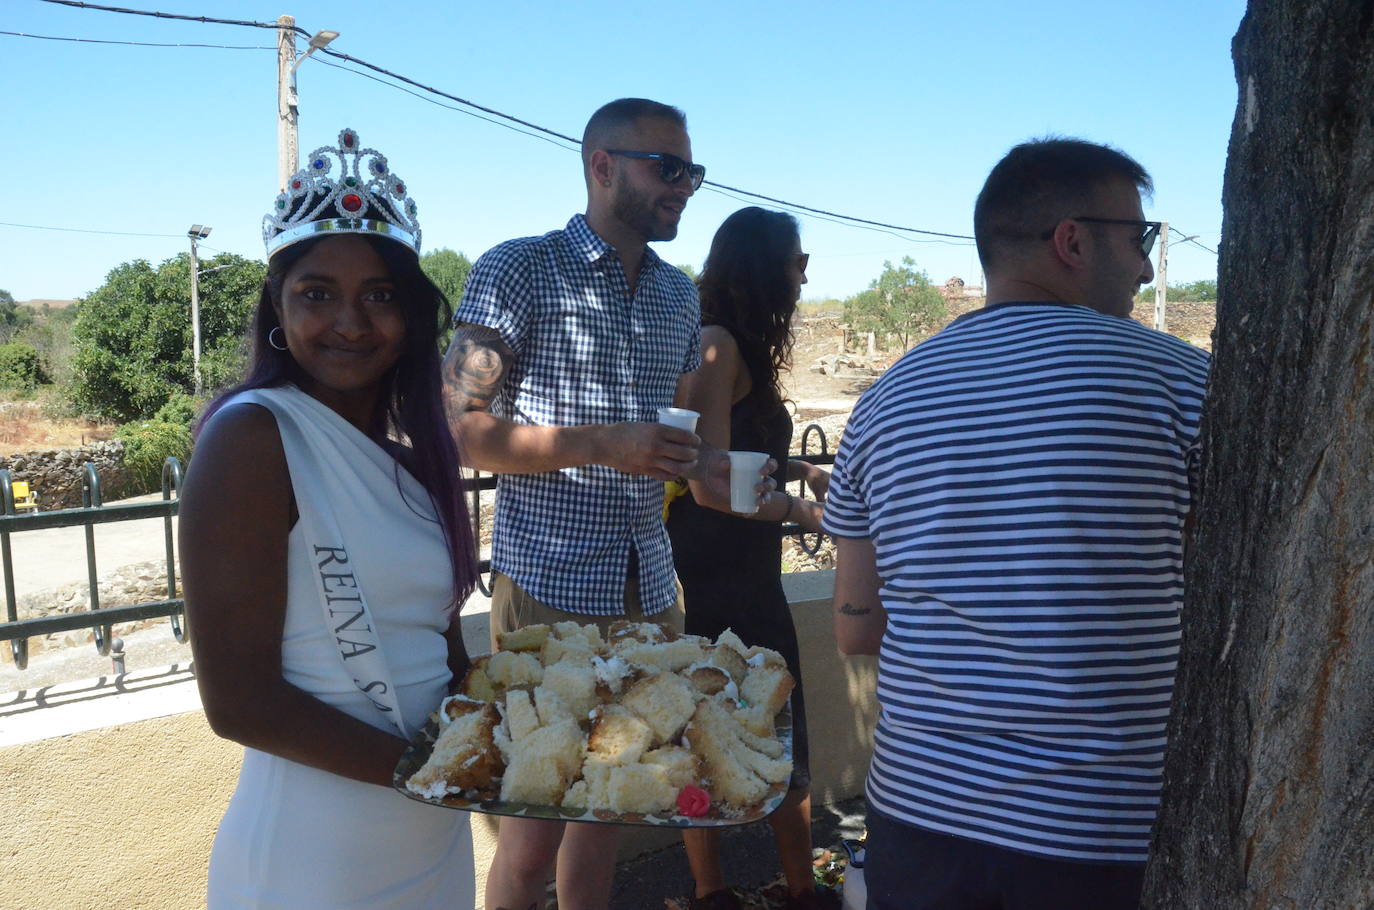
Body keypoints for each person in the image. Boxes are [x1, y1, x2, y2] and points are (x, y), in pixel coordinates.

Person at [823, 138, 1211, 910]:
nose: (1144, 267)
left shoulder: (885, 400)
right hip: (1097, 834)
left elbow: (857, 633)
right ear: (1073, 240)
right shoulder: (1183, 382)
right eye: (1141, 241)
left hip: (916, 821)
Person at [442, 98, 744, 910]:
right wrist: (606, 443)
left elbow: (677, 442)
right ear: (601, 165)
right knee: (532, 826)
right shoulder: (518, 270)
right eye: (667, 168)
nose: (685, 186)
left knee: (613, 807)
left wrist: (772, 482)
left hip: (650, 591)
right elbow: (463, 432)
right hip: (549, 589)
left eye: (694, 171)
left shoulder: (680, 297)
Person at [180, 128, 479, 909]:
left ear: (411, 316)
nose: (350, 321)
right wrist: (429, 773)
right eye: (317, 293)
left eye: (379, 294)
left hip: (434, 840)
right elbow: (239, 702)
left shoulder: (413, 461)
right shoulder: (252, 436)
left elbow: (440, 658)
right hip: (312, 861)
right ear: (278, 305)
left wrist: (563, 707)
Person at [666, 207, 834, 910]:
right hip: (720, 569)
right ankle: (713, 895)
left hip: (749, 566)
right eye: (797, 260)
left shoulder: (736, 346)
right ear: (765, 267)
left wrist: (796, 469)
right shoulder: (718, 345)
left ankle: (796, 886)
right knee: (709, 728)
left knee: (775, 721)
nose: (804, 272)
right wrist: (803, 513)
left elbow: (737, 454)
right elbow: (708, 484)